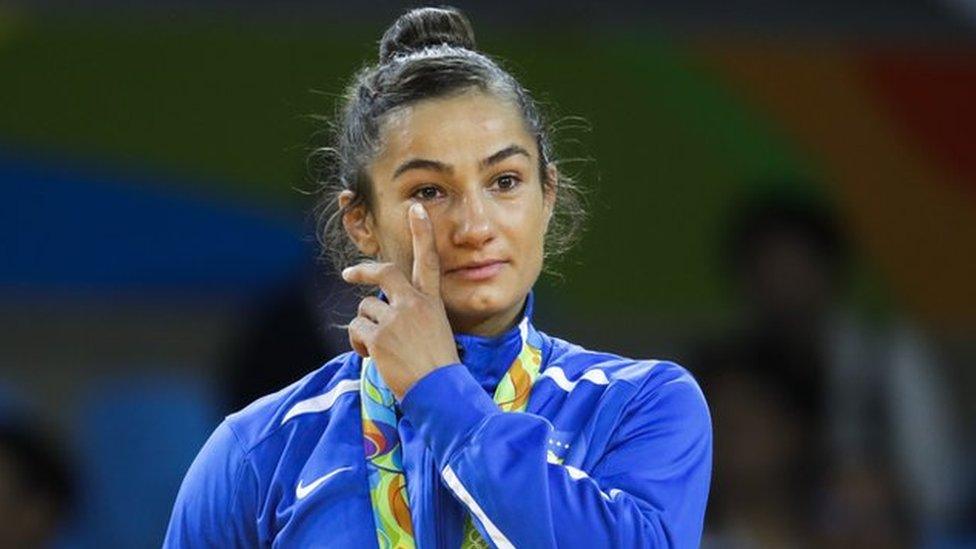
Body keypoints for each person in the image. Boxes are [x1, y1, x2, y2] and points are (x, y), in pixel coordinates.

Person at [164, 6, 712, 548]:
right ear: (361, 221)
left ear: (547, 196)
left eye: (504, 181)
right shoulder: (260, 452)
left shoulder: (638, 405)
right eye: (429, 191)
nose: (475, 226)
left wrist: (439, 393)